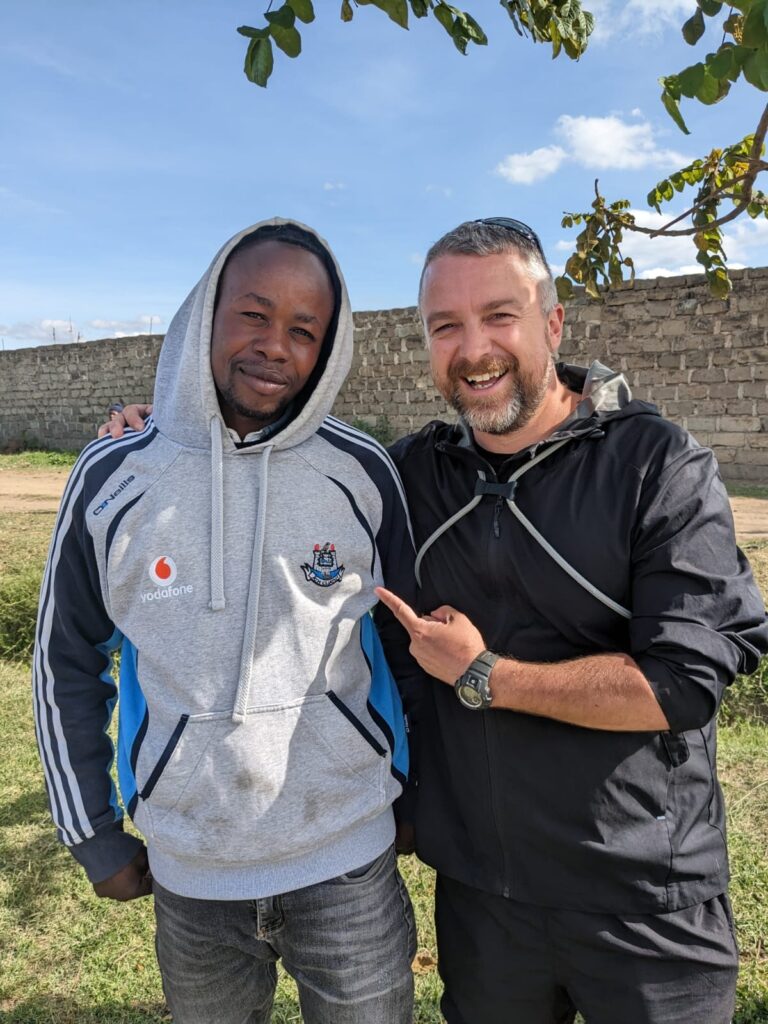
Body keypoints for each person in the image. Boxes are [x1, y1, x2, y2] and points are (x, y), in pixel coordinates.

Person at [374, 217, 768, 1024]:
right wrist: (159, 424)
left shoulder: (659, 465)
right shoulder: (416, 473)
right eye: (445, 326)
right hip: (484, 900)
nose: (472, 347)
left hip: (645, 897)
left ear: (552, 324)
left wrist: (487, 676)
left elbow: (681, 683)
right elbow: (291, 450)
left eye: (499, 315)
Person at [33, 218, 419, 1024]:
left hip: (348, 863)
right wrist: (93, 836)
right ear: (206, 311)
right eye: (253, 313)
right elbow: (63, 661)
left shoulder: (362, 472)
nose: (276, 346)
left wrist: (419, 800)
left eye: (303, 330)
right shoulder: (114, 474)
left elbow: (408, 646)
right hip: (191, 875)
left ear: (329, 348)